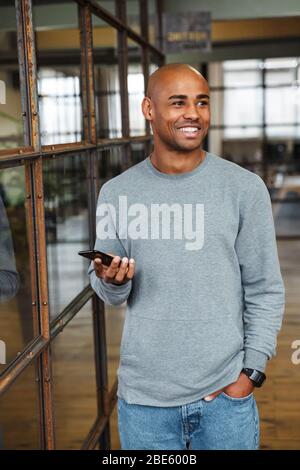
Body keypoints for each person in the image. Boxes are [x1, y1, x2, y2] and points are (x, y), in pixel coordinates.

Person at [88, 63, 285, 450]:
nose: (193, 113)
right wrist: (112, 280)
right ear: (149, 109)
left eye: (202, 102)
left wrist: (250, 374)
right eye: (178, 103)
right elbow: (109, 292)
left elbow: (264, 288)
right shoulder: (116, 192)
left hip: (225, 398)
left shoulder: (245, 189)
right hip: (144, 403)